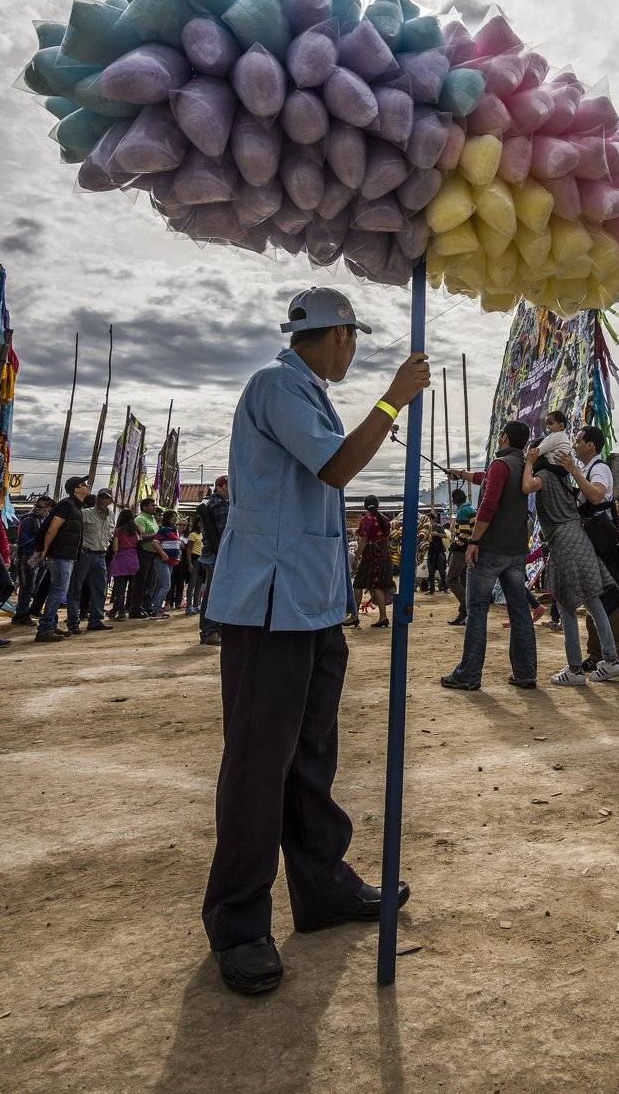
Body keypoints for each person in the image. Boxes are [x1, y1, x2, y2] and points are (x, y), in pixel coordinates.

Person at [201, 285, 428, 997]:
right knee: (257, 767)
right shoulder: (277, 385)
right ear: (340, 336)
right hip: (270, 609)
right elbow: (335, 467)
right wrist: (393, 401)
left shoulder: (306, 392)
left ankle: (322, 887)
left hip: (312, 607)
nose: (352, 352)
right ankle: (239, 924)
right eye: (352, 340)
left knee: (310, 759)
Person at [440, 421, 537, 692]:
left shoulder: (500, 464)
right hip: (516, 551)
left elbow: (489, 503)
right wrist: (460, 473)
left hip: (490, 550)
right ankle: (526, 673)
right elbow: (486, 478)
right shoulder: (523, 466)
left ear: (504, 437)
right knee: (520, 611)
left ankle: (468, 674)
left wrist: (474, 541)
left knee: (477, 611)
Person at [522, 443, 619, 685]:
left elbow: (526, 486)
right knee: (593, 602)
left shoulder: (544, 475)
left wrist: (528, 462)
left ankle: (575, 669)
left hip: (564, 543)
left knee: (566, 605)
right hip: (581, 540)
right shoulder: (563, 477)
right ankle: (612, 660)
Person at [556, 426, 619, 670]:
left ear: (591, 445)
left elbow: (597, 496)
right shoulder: (587, 469)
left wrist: (573, 471)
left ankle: (618, 656)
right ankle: (597, 653)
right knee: (593, 595)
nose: (575, 445)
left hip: (603, 542)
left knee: (612, 597)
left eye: (579, 441)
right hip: (591, 540)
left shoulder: (599, 469)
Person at [34, 475, 89, 642]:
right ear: (76, 489)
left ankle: (49, 625)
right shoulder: (67, 505)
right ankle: (45, 629)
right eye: (84, 484)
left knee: (56, 590)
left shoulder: (75, 506)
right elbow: (52, 529)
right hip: (59, 555)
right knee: (58, 591)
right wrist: (44, 550)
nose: (87, 486)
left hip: (66, 556)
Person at [68, 487, 115, 633]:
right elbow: (75, 532)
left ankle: (95, 620)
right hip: (85, 554)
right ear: (97, 498)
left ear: (110, 500)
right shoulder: (85, 513)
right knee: (76, 588)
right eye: (101, 497)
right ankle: (73, 623)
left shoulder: (111, 514)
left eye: (106, 498)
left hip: (101, 556)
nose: (103, 500)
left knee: (100, 589)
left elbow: (110, 534)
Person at [351, 494, 394, 628]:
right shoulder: (385, 519)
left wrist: (356, 558)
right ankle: (383, 617)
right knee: (377, 586)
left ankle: (354, 616)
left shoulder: (366, 519)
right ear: (377, 505)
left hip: (370, 556)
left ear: (365, 506)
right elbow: (386, 540)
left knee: (357, 585)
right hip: (384, 556)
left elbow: (363, 541)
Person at [197, 477, 230, 646]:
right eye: (228, 485)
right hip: (218, 554)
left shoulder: (211, 503)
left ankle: (210, 630)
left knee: (213, 592)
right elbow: (225, 533)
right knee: (216, 593)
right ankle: (211, 631)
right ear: (220, 487)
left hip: (211, 553)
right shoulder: (220, 505)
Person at [11, 494, 52, 627]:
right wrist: (39, 541)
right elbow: (22, 541)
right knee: (27, 587)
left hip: (41, 558)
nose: (38, 509)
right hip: (28, 558)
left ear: (48, 508)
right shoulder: (28, 520)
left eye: (41, 507)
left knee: (33, 588)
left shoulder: (47, 520)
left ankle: (24, 613)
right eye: (37, 506)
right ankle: (21, 615)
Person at [445, 488, 475, 625]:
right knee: (463, 581)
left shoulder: (463, 511)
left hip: (461, 549)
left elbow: (464, 534)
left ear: (454, 500)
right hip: (469, 549)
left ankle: (466, 606)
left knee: (451, 579)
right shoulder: (471, 508)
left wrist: (454, 545)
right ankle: (464, 615)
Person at [108, 508, 141, 618]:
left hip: (120, 559)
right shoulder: (136, 530)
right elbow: (138, 542)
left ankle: (121, 612)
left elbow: (115, 547)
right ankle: (117, 610)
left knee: (120, 588)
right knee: (130, 587)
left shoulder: (118, 531)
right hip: (133, 558)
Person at [150, 511, 183, 618]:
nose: (175, 518)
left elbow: (176, 546)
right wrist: (163, 554)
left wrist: (178, 557)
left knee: (161, 585)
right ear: (167, 518)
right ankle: (156, 610)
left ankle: (156, 608)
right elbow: (155, 543)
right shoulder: (163, 530)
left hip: (170, 562)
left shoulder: (174, 530)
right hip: (161, 561)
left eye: (176, 516)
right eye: (173, 516)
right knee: (166, 585)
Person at [184, 517, 204, 613]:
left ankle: (197, 604)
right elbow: (188, 549)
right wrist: (189, 563)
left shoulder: (202, 535)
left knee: (199, 583)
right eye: (201, 522)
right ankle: (189, 605)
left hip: (202, 559)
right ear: (197, 523)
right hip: (195, 558)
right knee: (192, 582)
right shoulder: (192, 534)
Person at [426, 512, 448, 595]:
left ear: (432, 519)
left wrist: (437, 534)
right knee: (431, 572)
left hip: (439, 552)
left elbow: (445, 536)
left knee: (442, 571)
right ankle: (431, 589)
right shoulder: (425, 528)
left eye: (429, 519)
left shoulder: (438, 526)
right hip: (430, 552)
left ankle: (445, 588)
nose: (427, 521)